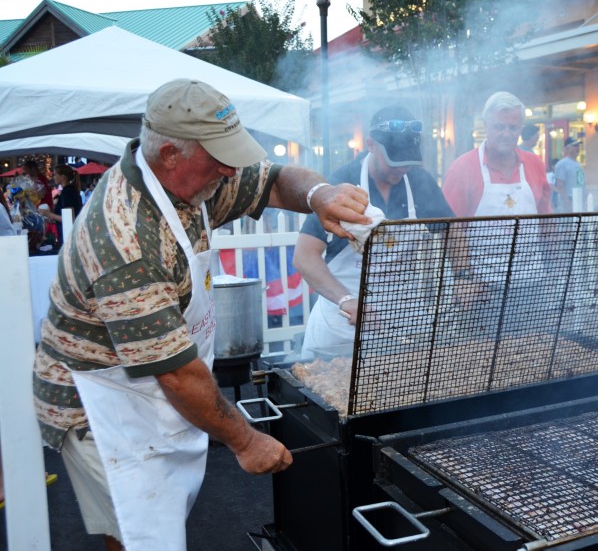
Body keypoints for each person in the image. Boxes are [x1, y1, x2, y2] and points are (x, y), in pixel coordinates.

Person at [32, 78, 370, 550]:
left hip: (158, 377)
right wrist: (247, 441)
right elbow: (178, 377)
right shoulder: (126, 239)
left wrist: (320, 195)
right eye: (219, 159)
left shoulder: (196, 180)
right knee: (139, 529)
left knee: (163, 512)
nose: (231, 171)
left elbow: (273, 180)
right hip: (102, 398)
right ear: (170, 154)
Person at [293, 105, 459, 359]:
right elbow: (305, 256)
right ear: (371, 145)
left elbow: (452, 230)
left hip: (404, 320)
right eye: (394, 161)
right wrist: (346, 300)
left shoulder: (419, 181)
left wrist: (464, 275)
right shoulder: (342, 182)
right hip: (343, 328)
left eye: (407, 162)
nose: (402, 168)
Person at [443, 91, 552, 217]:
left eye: (513, 128)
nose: (506, 134)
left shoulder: (535, 164)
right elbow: (450, 228)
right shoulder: (461, 168)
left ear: (521, 129)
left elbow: (547, 221)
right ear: (486, 126)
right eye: (499, 127)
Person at [39, 164, 83, 246]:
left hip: (68, 236)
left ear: (63, 177)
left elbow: (69, 218)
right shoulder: (71, 190)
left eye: (55, 174)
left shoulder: (67, 192)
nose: (53, 177)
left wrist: (49, 214)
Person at [554, 136, 586, 212]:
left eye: (578, 146)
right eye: (575, 146)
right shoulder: (562, 164)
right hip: (569, 199)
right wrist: (567, 203)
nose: (577, 148)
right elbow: (560, 184)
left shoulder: (579, 165)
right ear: (567, 148)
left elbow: (581, 182)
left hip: (579, 200)